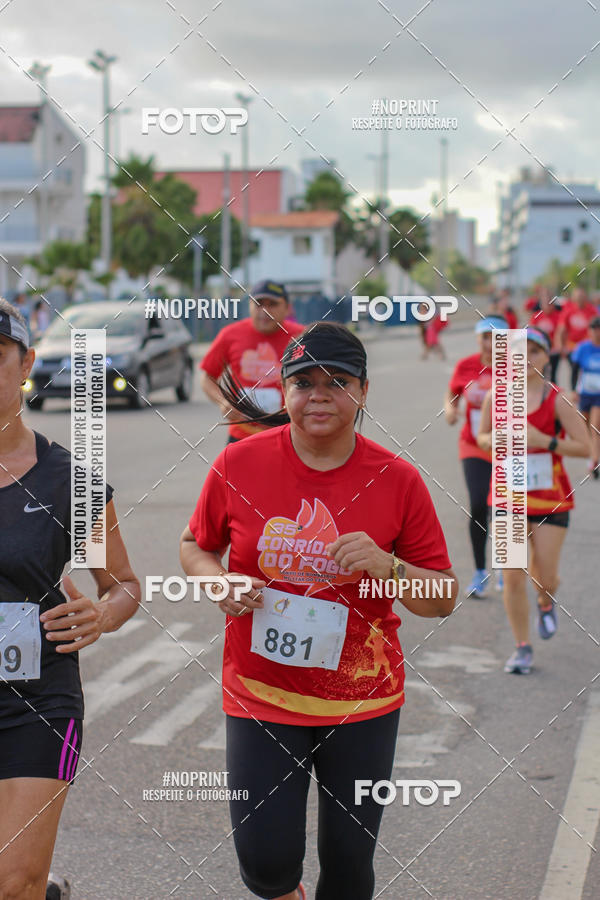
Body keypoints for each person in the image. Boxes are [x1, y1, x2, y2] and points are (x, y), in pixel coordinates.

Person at [180, 322, 458, 900]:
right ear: (283, 392)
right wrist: (216, 581)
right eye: (303, 382)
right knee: (265, 866)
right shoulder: (239, 464)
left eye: (338, 382)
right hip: (261, 694)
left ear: (363, 391)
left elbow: (444, 598)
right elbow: (195, 546)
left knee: (350, 868)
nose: (319, 395)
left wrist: (389, 567)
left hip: (363, 701)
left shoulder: (398, 479)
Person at [0, 298, 141, 899]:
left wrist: (102, 614)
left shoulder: (68, 479)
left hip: (36, 699)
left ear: (25, 362)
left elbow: (125, 584)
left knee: (15, 877)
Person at [477, 328, 590, 674]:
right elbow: (480, 438)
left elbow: (586, 447)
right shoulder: (495, 396)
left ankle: (545, 600)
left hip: (550, 500)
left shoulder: (557, 399)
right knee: (512, 576)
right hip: (507, 497)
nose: (525, 359)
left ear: (545, 357)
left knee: (545, 577)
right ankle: (522, 647)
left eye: (534, 352)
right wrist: (495, 439)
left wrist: (546, 440)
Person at [445, 316, 507, 598]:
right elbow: (452, 393)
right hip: (473, 445)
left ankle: (507, 567)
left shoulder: (516, 369)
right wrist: (450, 408)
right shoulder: (466, 366)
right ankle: (481, 572)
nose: (490, 342)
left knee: (506, 508)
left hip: (509, 448)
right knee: (480, 504)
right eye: (485, 336)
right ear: (478, 338)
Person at [199, 279, 304, 442]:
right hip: (241, 435)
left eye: (272, 304)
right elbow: (207, 378)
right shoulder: (230, 335)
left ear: (287, 307)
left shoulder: (302, 338)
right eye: (259, 304)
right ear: (249, 306)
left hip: (288, 435)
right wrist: (223, 402)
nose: (265, 311)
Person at [571, 315, 600, 478]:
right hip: (585, 393)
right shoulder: (582, 348)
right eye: (593, 330)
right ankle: (592, 454)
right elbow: (575, 370)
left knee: (595, 427)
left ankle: (595, 461)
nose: (597, 333)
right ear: (589, 332)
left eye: (599, 330)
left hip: (599, 396)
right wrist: (574, 390)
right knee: (585, 426)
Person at [554, 287, 599, 390]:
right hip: (572, 348)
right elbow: (561, 330)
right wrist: (560, 347)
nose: (580, 300)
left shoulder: (592, 310)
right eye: (578, 297)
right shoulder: (568, 311)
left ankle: (589, 391)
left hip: (588, 348)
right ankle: (574, 392)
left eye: (582, 297)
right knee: (574, 370)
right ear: (574, 298)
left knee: (588, 370)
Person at [528, 288, 561, 382]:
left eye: (549, 302)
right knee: (540, 375)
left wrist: (559, 346)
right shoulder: (536, 316)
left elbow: (560, 332)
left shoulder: (558, 315)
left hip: (553, 351)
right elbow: (531, 333)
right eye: (544, 302)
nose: (547, 305)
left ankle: (553, 394)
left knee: (552, 375)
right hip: (540, 351)